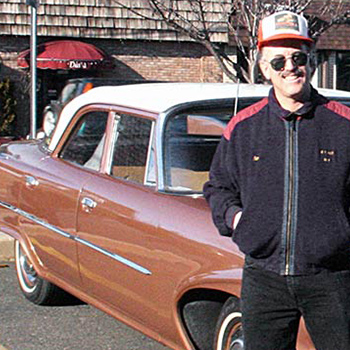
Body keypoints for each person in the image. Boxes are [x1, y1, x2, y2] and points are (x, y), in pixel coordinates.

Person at [204, 10, 350, 350]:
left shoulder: (344, 125)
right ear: (265, 68)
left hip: (333, 279)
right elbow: (218, 186)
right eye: (279, 61)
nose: (290, 68)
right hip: (264, 277)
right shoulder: (244, 127)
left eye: (298, 58)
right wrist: (238, 219)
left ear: (310, 62)